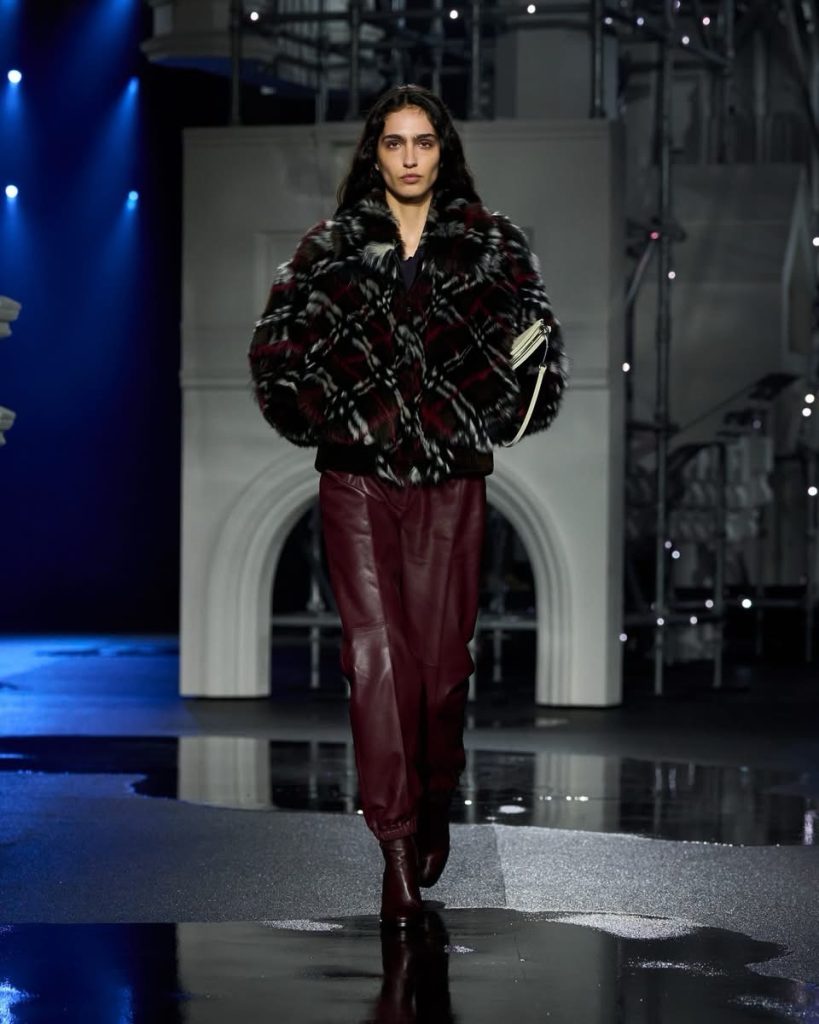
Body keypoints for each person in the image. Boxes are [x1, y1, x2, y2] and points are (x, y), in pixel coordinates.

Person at [249, 84, 566, 928]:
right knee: (374, 660)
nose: (410, 157)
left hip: (452, 481)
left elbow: (539, 348)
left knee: (440, 670)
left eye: (423, 141)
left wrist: (490, 411)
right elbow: (274, 348)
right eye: (394, 142)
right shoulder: (329, 247)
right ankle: (393, 847)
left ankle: (431, 795)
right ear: (375, 154)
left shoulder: (492, 245)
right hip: (356, 481)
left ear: (442, 150)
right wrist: (322, 416)